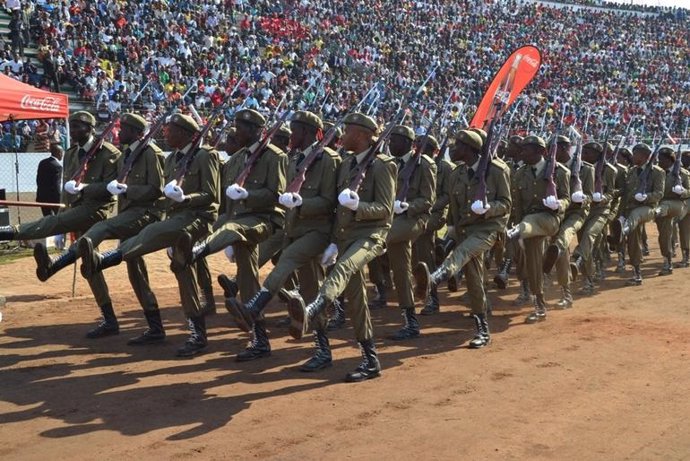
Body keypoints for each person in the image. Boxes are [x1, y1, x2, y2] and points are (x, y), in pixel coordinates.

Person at [79, 113, 220, 357]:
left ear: (186, 134)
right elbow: (164, 197)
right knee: (182, 272)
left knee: (153, 232)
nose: (166, 134)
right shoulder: (173, 158)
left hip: (198, 219)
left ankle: (106, 259)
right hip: (177, 221)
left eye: (171, 130)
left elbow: (211, 195)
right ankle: (194, 334)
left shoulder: (205, 155)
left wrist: (185, 197)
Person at [35, 113, 166, 340]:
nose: (118, 132)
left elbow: (154, 189)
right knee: (122, 268)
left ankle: (56, 265)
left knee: (130, 269)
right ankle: (119, 322)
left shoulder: (140, 154)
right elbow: (71, 191)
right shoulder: (121, 153)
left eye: (123, 128)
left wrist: (122, 190)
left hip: (137, 216)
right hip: (123, 215)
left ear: (136, 132)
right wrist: (65, 218)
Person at [286, 112, 396, 382]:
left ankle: (313, 309)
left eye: (347, 131)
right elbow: (338, 212)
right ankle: (371, 360)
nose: (342, 135)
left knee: (345, 268)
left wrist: (358, 206)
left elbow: (385, 209)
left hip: (371, 235)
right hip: (347, 237)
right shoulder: (346, 165)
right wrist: (335, 241)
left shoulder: (383, 166)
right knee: (357, 298)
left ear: (361, 135)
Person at [225, 110, 340, 368]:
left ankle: (254, 307)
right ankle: (323, 351)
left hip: (317, 232)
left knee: (286, 261)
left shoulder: (327, 160)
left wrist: (302, 204)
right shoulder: (294, 159)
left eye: (296, 131)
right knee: (311, 292)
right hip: (294, 231)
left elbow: (330, 202)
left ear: (310, 133)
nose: (291, 135)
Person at [170, 109, 287, 319]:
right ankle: (255, 326)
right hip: (238, 218)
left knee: (231, 231)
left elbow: (276, 194)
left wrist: (247, 194)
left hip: (264, 220)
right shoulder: (238, 158)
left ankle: (195, 252)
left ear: (254, 131)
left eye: (241, 128)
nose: (236, 131)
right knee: (248, 272)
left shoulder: (274, 157)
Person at [414, 129, 511, 348]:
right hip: (466, 231)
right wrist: (452, 230)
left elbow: (506, 204)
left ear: (469, 149)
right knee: (474, 279)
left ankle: (435, 278)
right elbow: (456, 210)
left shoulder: (496, 171)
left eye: (457, 145)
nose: (452, 148)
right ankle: (482, 328)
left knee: (463, 252)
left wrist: (487, 209)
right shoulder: (457, 173)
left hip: (489, 230)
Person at [0, 111, 119, 255]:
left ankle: (10, 232)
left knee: (52, 224)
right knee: (89, 259)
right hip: (75, 210)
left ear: (89, 128)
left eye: (76, 127)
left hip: (97, 210)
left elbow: (112, 188)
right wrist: (62, 221)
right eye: (71, 127)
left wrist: (83, 189)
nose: (72, 131)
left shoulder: (108, 153)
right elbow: (66, 192)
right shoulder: (71, 153)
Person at [377, 125, 436, 340]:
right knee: (400, 270)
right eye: (390, 140)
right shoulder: (387, 163)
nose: (391, 144)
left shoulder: (424, 165)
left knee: (376, 239)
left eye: (395, 141)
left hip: (413, 219)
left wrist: (407, 206)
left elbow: (428, 199)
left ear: (408, 144)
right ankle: (410, 322)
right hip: (391, 219)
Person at [506, 135, 570, 323]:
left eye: (527, 150)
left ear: (541, 152)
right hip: (528, 225)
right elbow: (517, 204)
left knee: (559, 254)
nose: (522, 153)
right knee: (533, 264)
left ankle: (566, 292)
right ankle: (539, 304)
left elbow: (567, 198)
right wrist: (517, 224)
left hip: (551, 219)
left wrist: (558, 204)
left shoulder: (559, 172)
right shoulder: (520, 174)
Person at [542, 135, 594, 308]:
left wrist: (581, 198)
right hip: (556, 213)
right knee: (557, 251)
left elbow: (591, 196)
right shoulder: (549, 168)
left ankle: (580, 283)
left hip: (576, 213)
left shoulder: (585, 170)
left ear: (566, 149)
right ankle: (558, 290)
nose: (550, 153)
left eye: (555, 149)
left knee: (564, 239)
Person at [609, 143, 665, 286]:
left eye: (636, 154)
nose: (633, 156)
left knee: (634, 216)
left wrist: (646, 196)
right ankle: (636, 272)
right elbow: (626, 193)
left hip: (648, 208)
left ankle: (623, 231)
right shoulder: (631, 171)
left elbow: (659, 194)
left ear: (645, 156)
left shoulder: (657, 172)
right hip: (630, 208)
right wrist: (620, 213)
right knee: (633, 239)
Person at [654, 147, 690, 275]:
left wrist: (682, 191)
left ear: (670, 160)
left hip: (680, 203)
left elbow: (689, 191)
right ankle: (667, 258)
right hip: (662, 206)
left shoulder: (683, 173)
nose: (659, 162)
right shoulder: (657, 172)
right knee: (664, 234)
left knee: (685, 229)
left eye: (662, 159)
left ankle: (686, 255)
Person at [36, 140, 63, 217]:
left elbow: (38, 180)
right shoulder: (58, 166)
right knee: (58, 219)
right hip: (54, 199)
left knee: (46, 218)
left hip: (42, 197)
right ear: (59, 153)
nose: (62, 155)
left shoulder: (42, 162)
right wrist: (59, 198)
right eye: (62, 153)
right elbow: (56, 184)